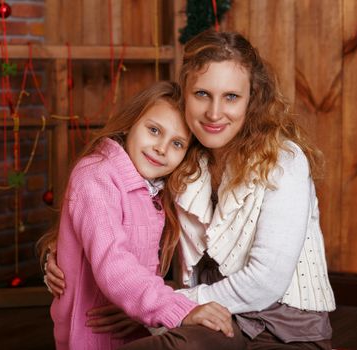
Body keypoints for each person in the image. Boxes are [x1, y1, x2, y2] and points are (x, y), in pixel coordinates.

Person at [45, 31, 336, 350]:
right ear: (185, 94)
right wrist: (61, 255)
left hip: (285, 329)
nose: (214, 113)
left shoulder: (283, 160)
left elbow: (265, 283)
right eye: (202, 94)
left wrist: (170, 307)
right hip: (214, 323)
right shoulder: (181, 160)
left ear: (252, 99)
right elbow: (114, 217)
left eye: (231, 97)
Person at [37, 81, 237, 350]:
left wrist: (139, 312)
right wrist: (179, 309)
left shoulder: (156, 189)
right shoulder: (96, 175)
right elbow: (113, 263)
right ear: (130, 124)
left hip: (134, 325)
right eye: (154, 130)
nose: (161, 148)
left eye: (177, 143)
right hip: (90, 333)